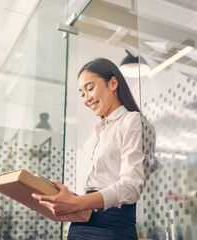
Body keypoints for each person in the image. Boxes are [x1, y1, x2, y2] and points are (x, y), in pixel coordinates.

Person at [32, 58, 147, 239]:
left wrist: (77, 202)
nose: (87, 99)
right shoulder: (92, 138)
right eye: (82, 94)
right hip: (79, 226)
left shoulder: (131, 120)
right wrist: (64, 198)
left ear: (113, 83)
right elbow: (90, 188)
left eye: (90, 88)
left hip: (112, 228)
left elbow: (132, 186)